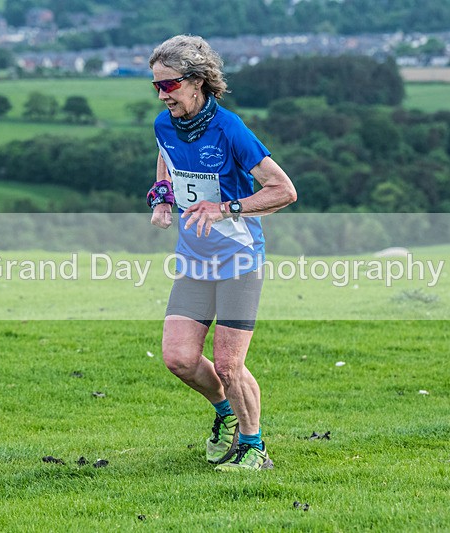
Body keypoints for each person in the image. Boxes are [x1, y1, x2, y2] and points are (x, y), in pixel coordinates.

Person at [147, 35, 297, 472]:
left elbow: (283, 190)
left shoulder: (231, 129)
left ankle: (255, 449)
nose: (161, 94)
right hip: (194, 260)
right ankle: (226, 414)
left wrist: (225, 207)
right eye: (155, 86)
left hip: (238, 260)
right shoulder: (163, 124)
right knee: (179, 358)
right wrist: (161, 196)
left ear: (196, 82)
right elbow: (166, 159)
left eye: (169, 85)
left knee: (230, 365)